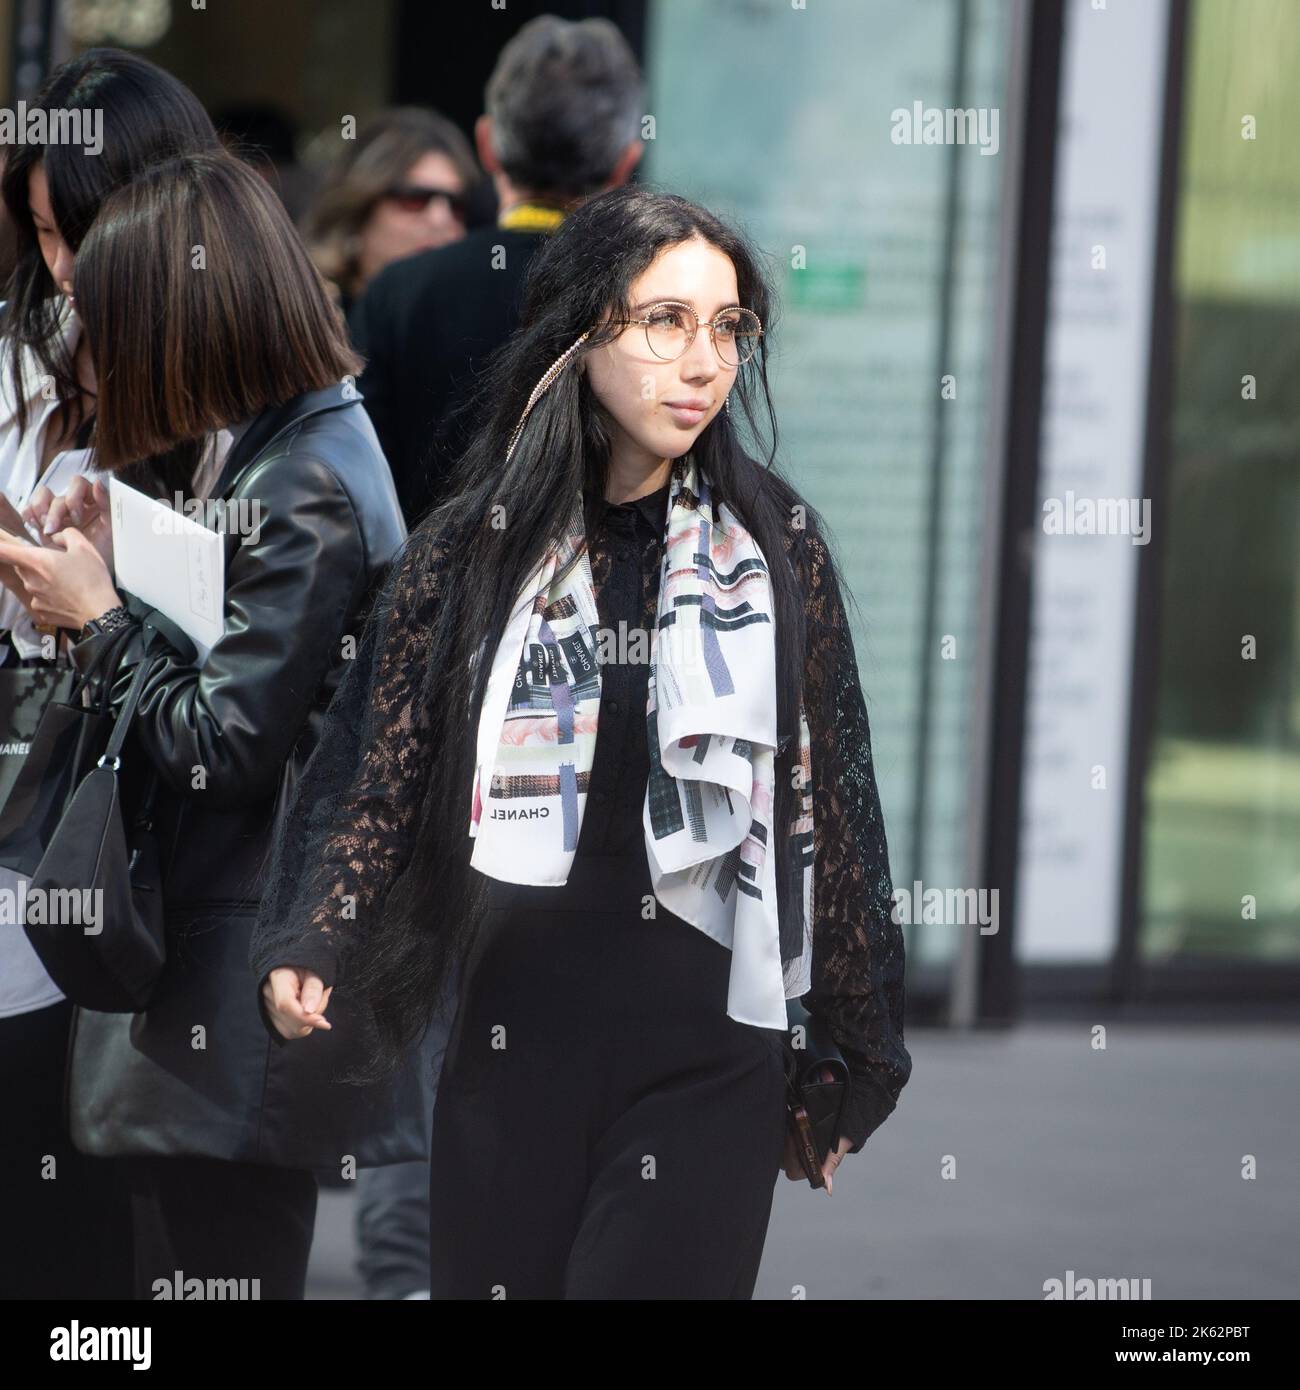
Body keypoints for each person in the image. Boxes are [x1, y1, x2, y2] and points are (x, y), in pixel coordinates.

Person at [252, 183, 912, 1300]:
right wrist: (316, 934)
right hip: (513, 1043)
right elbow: (383, 772)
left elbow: (837, 805)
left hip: (710, 1053)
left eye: (726, 327)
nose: (703, 362)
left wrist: (845, 1052)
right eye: (664, 321)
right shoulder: (477, 549)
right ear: (580, 335)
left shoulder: (772, 546)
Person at [0, 149, 431, 1301]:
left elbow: (223, 745)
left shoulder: (305, 474)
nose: (104, 352)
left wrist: (93, 619)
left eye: (119, 321)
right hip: (223, 965)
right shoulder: (291, 439)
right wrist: (126, 541)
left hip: (235, 977)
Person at [0, 47, 224, 1301]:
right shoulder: (29, 367)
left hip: (148, 884)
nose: (66, 269)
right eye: (41, 233)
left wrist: (97, 597)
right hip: (31, 852)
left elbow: (246, 688)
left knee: (118, 1253)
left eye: (81, 231)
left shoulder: (235, 408)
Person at [351, 14, 644, 526]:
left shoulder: (397, 294)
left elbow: (353, 492)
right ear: (626, 163)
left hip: (418, 602)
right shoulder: (647, 301)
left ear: (486, 145)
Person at [302, 106, 480, 319]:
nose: (441, 219)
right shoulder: (309, 320)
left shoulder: (469, 326)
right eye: (414, 199)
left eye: (456, 205)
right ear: (359, 212)